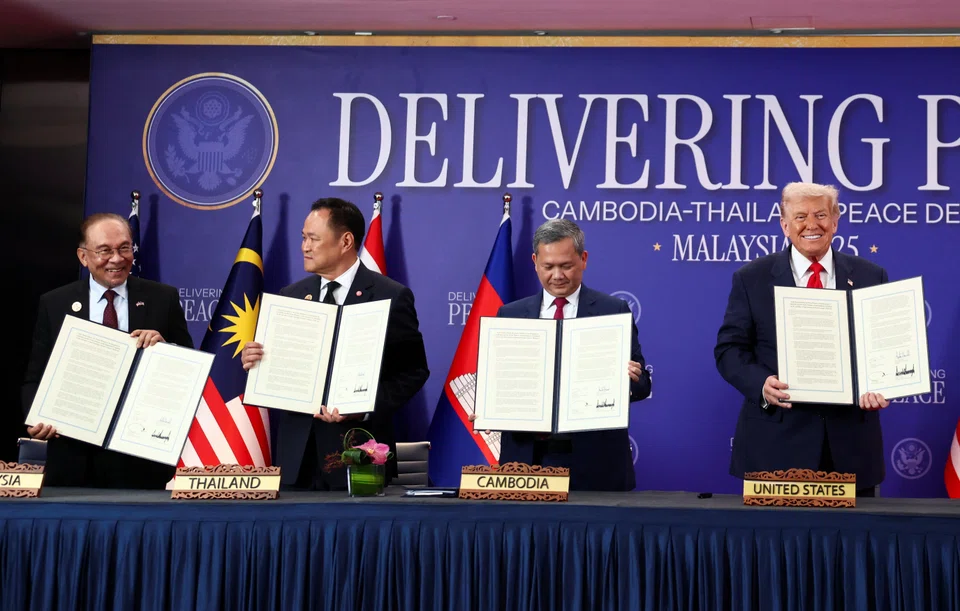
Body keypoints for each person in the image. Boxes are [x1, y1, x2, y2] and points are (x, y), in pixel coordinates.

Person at [241, 197, 429, 490]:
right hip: (296, 458)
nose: (305, 247)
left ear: (346, 241)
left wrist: (364, 407)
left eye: (314, 239)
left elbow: (414, 371)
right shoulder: (290, 296)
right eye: (303, 238)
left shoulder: (390, 295)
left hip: (358, 453)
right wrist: (256, 360)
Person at [715, 182, 889, 496]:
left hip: (850, 448)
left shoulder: (870, 276)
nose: (812, 224)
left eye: (821, 214)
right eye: (800, 217)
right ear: (784, 225)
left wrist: (883, 381)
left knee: (849, 545)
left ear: (835, 221)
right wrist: (762, 384)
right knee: (772, 545)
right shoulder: (751, 278)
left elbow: (883, 348)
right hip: (775, 446)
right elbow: (729, 350)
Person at [22, 212, 193, 488]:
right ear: (83, 257)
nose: (117, 258)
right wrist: (36, 419)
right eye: (104, 250)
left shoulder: (163, 298)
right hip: (71, 454)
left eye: (124, 247)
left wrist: (164, 348)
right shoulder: (55, 303)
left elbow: (188, 368)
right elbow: (35, 376)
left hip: (140, 457)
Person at [490, 219, 652, 492]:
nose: (557, 275)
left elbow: (642, 385)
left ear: (583, 259)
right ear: (534, 261)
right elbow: (499, 381)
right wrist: (488, 405)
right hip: (527, 459)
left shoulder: (613, 310)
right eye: (548, 266)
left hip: (594, 461)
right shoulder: (510, 314)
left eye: (566, 266)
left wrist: (632, 379)